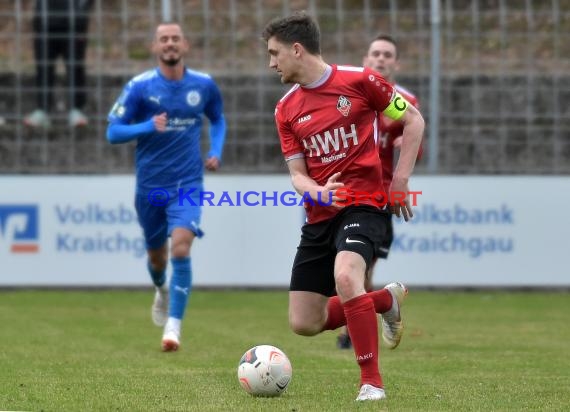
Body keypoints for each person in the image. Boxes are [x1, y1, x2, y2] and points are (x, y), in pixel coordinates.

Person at [262, 12, 424, 401]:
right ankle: (385, 299)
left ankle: (372, 383)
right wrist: (315, 191)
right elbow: (297, 175)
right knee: (304, 322)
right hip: (320, 215)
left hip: (365, 204)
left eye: (274, 53)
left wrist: (399, 181)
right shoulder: (285, 109)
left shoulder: (360, 81)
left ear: (296, 49)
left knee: (348, 277)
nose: (271, 63)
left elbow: (413, 120)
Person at [106, 22, 226, 352]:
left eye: (175, 38)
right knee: (158, 259)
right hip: (150, 187)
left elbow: (217, 118)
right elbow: (112, 132)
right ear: (155, 47)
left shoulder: (203, 85)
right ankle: (160, 289)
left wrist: (215, 151)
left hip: (187, 183)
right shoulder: (139, 87)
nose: (170, 44)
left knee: (182, 249)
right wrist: (147, 126)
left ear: (185, 45)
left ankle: (173, 328)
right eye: (164, 39)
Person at [337, 34, 424, 350]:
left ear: (396, 63)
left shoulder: (406, 103)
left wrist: (409, 147)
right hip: (341, 191)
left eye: (388, 55)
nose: (381, 59)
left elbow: (418, 145)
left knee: (360, 266)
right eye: (375, 53)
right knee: (343, 269)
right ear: (365, 60)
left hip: (377, 197)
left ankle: (352, 330)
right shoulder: (349, 95)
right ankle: (383, 304)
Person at [24, 0, 93, 129]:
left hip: (74, 24)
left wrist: (81, 13)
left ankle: (76, 110)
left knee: (75, 67)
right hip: (44, 23)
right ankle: (42, 110)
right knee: (43, 68)